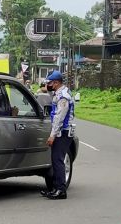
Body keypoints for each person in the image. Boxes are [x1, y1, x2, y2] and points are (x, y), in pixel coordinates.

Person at [40, 70, 74, 200]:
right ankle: (54, 188)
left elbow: (60, 117)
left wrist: (52, 135)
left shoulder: (63, 97)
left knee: (58, 160)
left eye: (50, 83)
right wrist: (47, 89)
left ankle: (60, 190)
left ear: (56, 82)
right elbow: (51, 96)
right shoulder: (58, 93)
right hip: (61, 131)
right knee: (55, 160)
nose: (49, 85)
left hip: (63, 131)